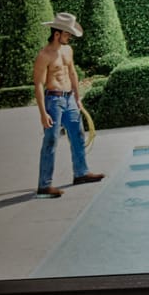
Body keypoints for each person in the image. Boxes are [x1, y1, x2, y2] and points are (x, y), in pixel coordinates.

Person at [34, 13, 104, 197]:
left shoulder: (68, 50)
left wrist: (77, 98)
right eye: (67, 34)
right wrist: (43, 113)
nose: (70, 37)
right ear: (57, 34)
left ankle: (81, 173)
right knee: (51, 141)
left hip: (70, 99)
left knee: (78, 135)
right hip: (54, 100)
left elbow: (72, 74)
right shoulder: (44, 55)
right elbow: (39, 85)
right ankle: (44, 185)